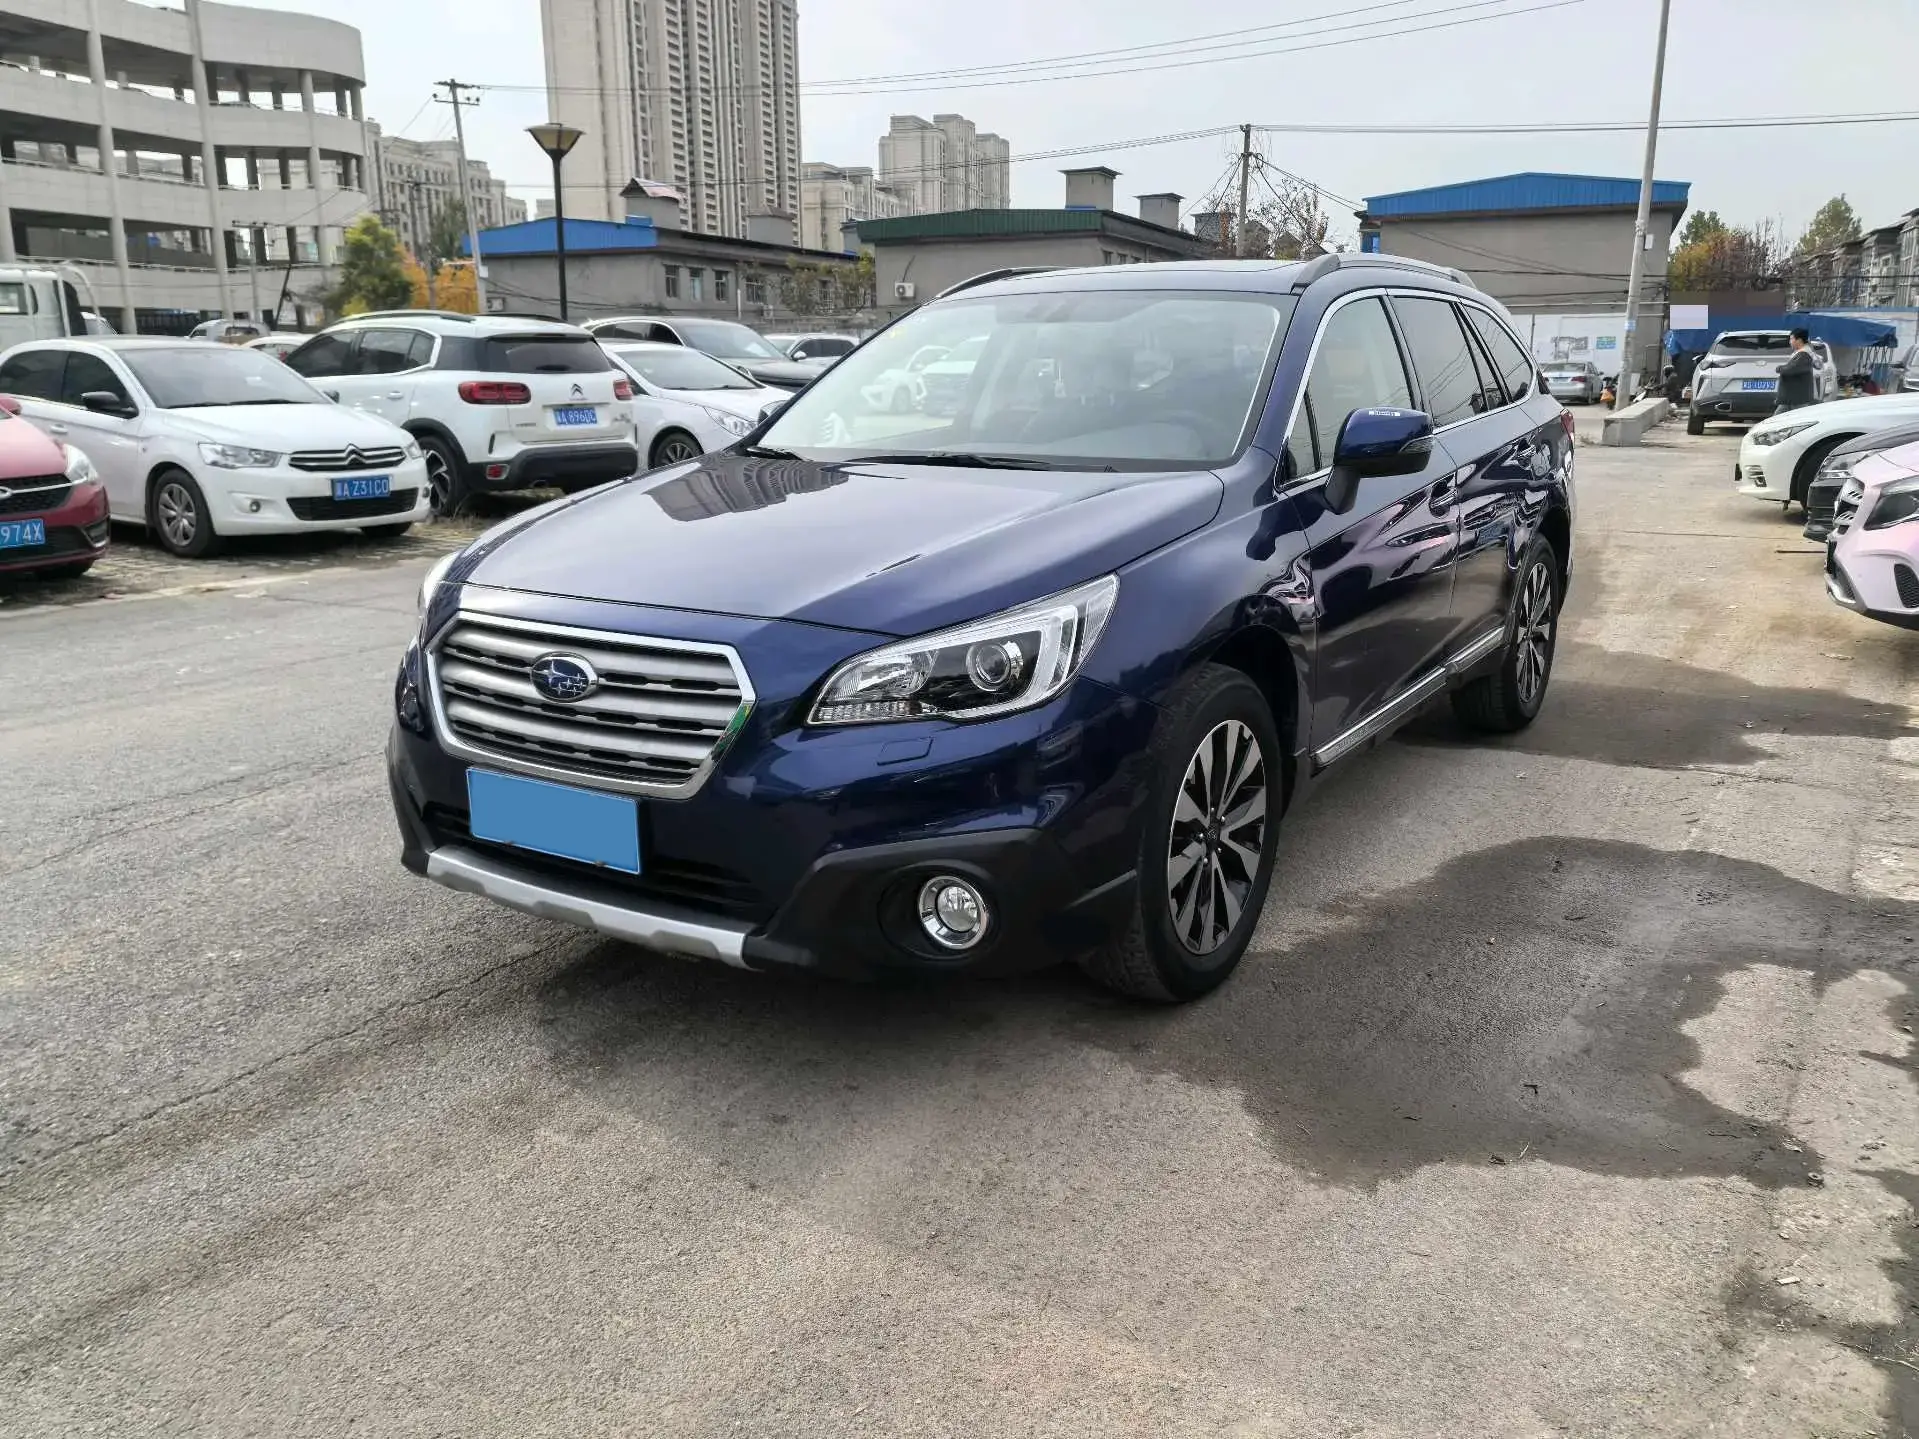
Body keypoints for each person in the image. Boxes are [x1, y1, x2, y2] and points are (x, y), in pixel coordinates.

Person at [1774, 328, 1819, 413]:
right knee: (1778, 419)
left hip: (1797, 398)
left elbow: (1792, 369)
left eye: (1791, 339)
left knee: (1797, 420)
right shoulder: (1800, 353)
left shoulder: (1804, 355)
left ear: (1799, 340)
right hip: (1791, 397)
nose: (1790, 342)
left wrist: (1779, 368)